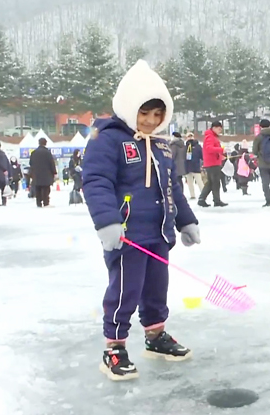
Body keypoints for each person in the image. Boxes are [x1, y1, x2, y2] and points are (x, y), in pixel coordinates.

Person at [82, 60, 200, 381]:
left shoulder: (162, 144)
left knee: (156, 289)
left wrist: (185, 221)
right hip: (127, 235)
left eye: (157, 115)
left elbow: (173, 187)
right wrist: (107, 222)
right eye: (144, 113)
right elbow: (96, 181)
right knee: (125, 292)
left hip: (158, 233)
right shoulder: (106, 139)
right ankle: (114, 348)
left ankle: (155, 335)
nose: (150, 121)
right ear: (129, 107)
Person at [198, 121, 227, 208]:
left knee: (211, 183)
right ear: (214, 128)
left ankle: (202, 199)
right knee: (215, 183)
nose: (219, 131)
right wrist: (221, 150)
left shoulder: (212, 136)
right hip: (212, 163)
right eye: (218, 129)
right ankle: (216, 200)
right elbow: (209, 148)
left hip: (213, 161)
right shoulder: (210, 137)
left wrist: (220, 155)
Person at [29, 138, 57, 207]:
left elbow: (30, 163)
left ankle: (38, 202)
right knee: (45, 189)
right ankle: (45, 202)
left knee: (37, 188)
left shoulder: (34, 153)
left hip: (36, 174)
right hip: (46, 175)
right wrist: (54, 172)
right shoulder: (47, 153)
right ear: (45, 143)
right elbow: (51, 164)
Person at [184, 132, 204, 200]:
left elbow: (202, 155)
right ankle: (192, 195)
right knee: (190, 182)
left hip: (195, 166)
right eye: (188, 136)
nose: (190, 138)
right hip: (188, 166)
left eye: (191, 136)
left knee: (199, 181)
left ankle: (203, 194)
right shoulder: (185, 146)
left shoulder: (197, 146)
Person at [0, 141, 11, 206]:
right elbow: (8, 164)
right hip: (4, 175)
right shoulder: (3, 154)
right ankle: (4, 201)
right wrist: (9, 174)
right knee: (4, 188)